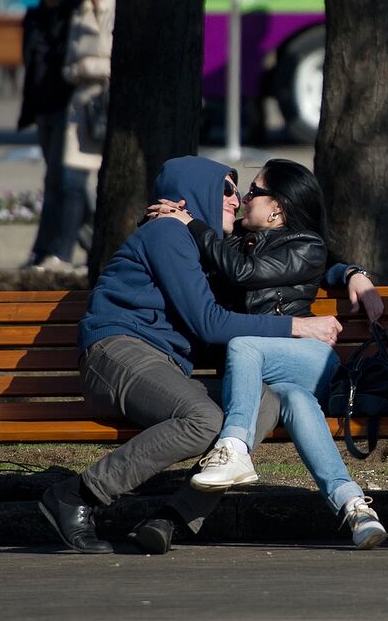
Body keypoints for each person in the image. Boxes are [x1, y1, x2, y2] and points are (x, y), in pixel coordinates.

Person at [39, 156, 344, 555]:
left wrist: (350, 272)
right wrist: (298, 327)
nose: (237, 199)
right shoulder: (167, 233)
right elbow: (210, 324)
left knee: (261, 403)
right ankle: (79, 494)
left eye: (243, 190)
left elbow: (292, 256)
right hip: (117, 356)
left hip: (160, 369)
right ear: (190, 196)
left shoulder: (194, 243)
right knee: (204, 420)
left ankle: (173, 517)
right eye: (228, 189)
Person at [146, 159, 388, 548]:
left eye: (254, 192)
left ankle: (234, 448)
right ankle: (353, 506)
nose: (243, 199)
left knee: (244, 345)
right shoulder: (235, 238)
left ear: (278, 207)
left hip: (308, 357)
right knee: (293, 400)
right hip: (269, 378)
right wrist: (349, 271)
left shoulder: (305, 246)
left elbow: (245, 273)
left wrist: (189, 223)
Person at [17, 0, 82, 269]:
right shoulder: (35, 15)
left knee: (64, 180)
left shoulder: (77, 10)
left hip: (70, 109)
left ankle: (55, 252)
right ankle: (52, 248)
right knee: (58, 181)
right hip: (43, 108)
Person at [52, 0, 116, 269]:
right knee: (71, 184)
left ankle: (96, 253)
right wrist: (80, 69)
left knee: (106, 186)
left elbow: (119, 62)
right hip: (81, 112)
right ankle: (65, 254)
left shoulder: (117, 8)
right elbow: (68, 65)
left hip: (106, 110)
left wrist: (88, 66)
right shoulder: (82, 11)